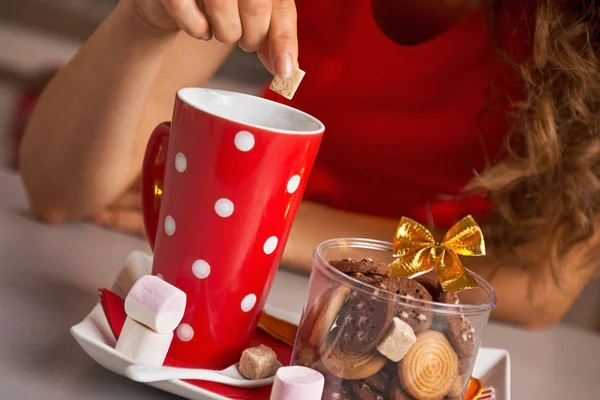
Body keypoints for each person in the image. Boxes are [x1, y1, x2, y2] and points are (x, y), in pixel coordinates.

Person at [18, 0, 600, 329]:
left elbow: (539, 284)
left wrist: (270, 225)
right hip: (235, 280)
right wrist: (141, 23)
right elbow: (59, 191)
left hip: (420, 316)